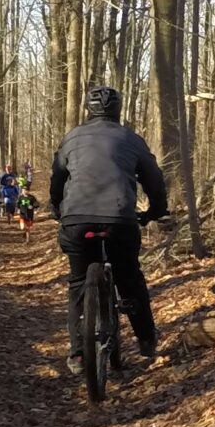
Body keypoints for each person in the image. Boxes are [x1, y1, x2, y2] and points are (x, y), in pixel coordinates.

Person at [50, 84, 169, 367]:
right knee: (129, 277)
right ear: (118, 110)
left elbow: (57, 179)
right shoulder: (130, 138)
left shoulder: (72, 138)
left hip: (76, 221)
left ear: (88, 110)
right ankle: (146, 339)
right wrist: (156, 210)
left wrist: (57, 209)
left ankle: (78, 353)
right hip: (120, 220)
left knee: (79, 282)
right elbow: (154, 178)